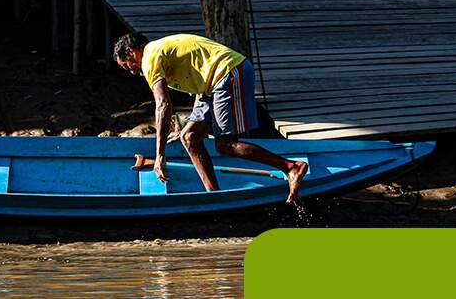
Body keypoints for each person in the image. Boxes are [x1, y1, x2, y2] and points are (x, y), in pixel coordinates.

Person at [113, 32, 309, 203]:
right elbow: (199, 82)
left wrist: (160, 156)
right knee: (189, 137)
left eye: (127, 65)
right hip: (211, 85)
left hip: (229, 72)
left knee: (225, 145)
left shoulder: (150, 57)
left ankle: (291, 167)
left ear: (131, 51)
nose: (131, 71)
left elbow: (163, 105)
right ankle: (214, 196)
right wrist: (189, 126)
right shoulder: (160, 51)